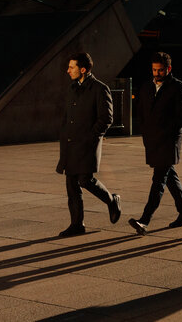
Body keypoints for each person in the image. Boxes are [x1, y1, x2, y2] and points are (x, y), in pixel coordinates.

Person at [56, 52, 121, 237]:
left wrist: (91, 137)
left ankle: (112, 200)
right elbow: (67, 116)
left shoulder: (100, 89)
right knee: (71, 184)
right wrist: (64, 133)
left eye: (71, 67)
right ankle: (77, 224)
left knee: (85, 180)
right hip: (70, 144)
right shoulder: (72, 88)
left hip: (87, 144)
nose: (67, 70)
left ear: (82, 69)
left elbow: (106, 118)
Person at [128, 52, 182, 235]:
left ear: (168, 69)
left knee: (159, 180)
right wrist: (146, 133)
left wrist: (167, 131)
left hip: (168, 140)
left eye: (160, 70)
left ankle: (145, 220)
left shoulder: (179, 88)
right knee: (169, 177)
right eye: (154, 70)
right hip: (152, 140)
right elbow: (140, 112)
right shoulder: (147, 86)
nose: (157, 73)